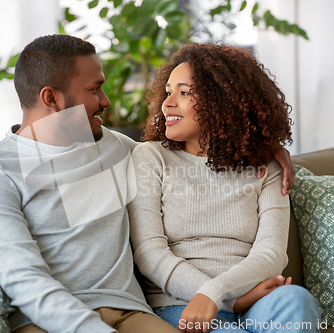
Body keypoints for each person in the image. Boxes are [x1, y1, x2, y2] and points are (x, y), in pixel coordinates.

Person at [0, 35, 296, 333]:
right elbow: (25, 282)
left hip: (132, 314)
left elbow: (191, 156)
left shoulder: (118, 149)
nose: (106, 101)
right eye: (94, 89)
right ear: (51, 98)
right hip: (46, 322)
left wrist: (265, 147)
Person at [128, 43, 321, 333]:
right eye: (168, 92)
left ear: (222, 101)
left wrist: (217, 295)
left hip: (255, 300)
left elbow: (271, 254)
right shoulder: (150, 158)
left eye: (184, 93)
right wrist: (233, 302)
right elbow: (149, 254)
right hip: (180, 304)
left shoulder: (265, 167)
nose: (167, 103)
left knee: (295, 300)